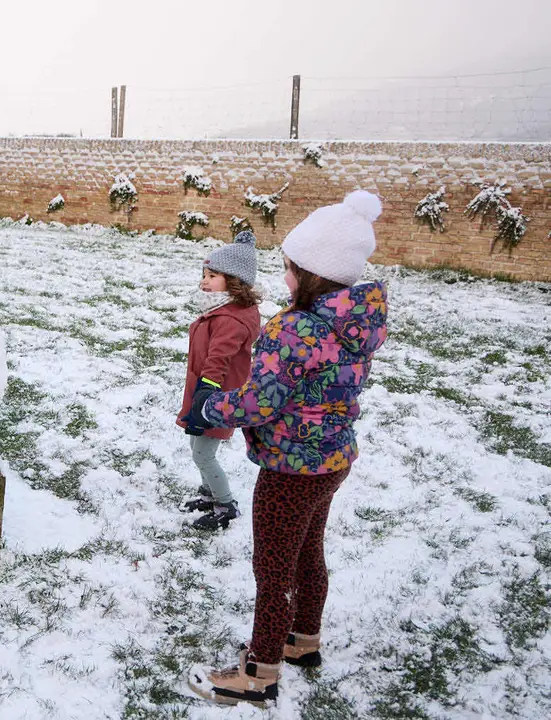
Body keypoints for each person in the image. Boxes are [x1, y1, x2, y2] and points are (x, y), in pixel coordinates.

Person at [183, 191, 388, 706]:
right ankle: (302, 639)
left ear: (310, 272)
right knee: (308, 554)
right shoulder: (355, 323)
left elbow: (260, 402)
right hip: (333, 459)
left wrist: (210, 408)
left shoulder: (294, 328)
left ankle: (259, 672)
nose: (284, 275)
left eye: (289, 267)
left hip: (291, 467)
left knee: (273, 569)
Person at [177, 230, 262, 531]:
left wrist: (205, 396)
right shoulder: (221, 309)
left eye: (212, 276)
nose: (204, 281)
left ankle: (225, 505)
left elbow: (219, 360)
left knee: (203, 453)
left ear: (234, 281)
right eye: (204, 274)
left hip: (216, 396)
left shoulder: (230, 319)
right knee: (197, 446)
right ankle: (209, 494)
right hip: (204, 387)